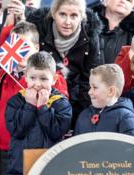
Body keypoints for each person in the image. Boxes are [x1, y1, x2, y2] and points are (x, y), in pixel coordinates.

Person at [0, 21, 69, 175]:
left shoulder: (51, 78)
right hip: (6, 148)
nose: (18, 51)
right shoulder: (3, 75)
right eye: (13, 44)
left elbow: (59, 114)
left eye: (23, 45)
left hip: (37, 149)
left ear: (36, 47)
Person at [4, 51, 72, 175]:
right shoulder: (15, 101)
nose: (37, 84)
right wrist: (29, 105)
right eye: (33, 78)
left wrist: (43, 107)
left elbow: (56, 132)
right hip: (17, 172)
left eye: (43, 78)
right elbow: (16, 131)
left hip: (48, 173)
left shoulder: (61, 103)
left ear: (54, 79)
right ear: (25, 77)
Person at [26, 0, 103, 129]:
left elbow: (91, 79)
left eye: (74, 16)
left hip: (75, 102)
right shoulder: (39, 29)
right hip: (39, 97)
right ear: (53, 14)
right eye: (62, 14)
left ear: (81, 17)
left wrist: (73, 114)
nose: (67, 22)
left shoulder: (91, 36)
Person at [74, 64, 134, 137]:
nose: (89, 92)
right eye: (90, 87)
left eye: (95, 87)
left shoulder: (125, 117)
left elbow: (131, 147)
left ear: (111, 91)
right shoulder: (84, 115)